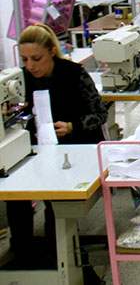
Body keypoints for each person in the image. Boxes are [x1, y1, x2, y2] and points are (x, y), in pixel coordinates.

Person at [7, 24, 107, 269]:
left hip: (76, 146)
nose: (31, 66)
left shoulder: (74, 73)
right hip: (37, 150)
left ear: (52, 51)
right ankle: (22, 253)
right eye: (25, 60)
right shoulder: (21, 80)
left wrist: (73, 126)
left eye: (36, 59)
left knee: (56, 196)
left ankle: (59, 254)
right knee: (15, 196)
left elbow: (100, 113)